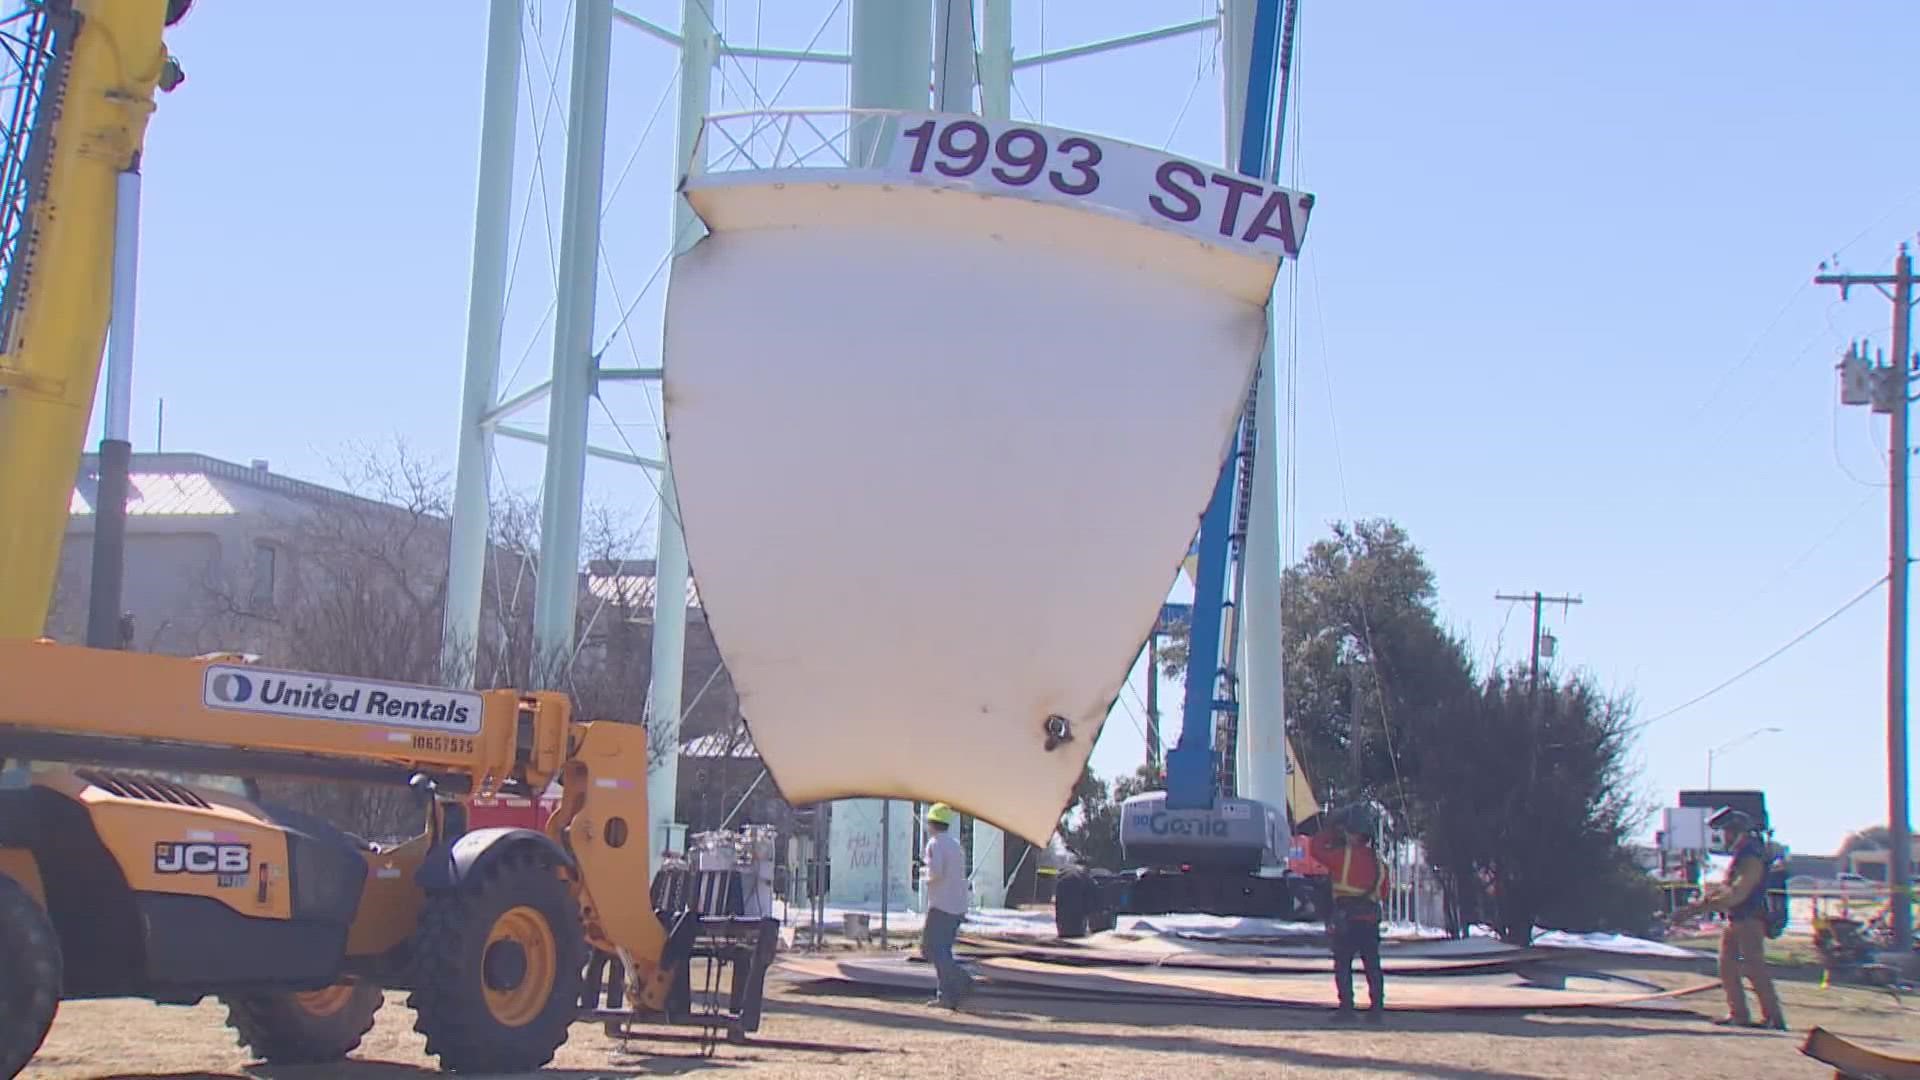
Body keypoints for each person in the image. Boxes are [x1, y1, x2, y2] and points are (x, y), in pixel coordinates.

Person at [1679, 808, 1786, 1030]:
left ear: (1739, 832)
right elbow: (1727, 888)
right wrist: (1702, 903)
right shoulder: (1742, 855)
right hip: (1735, 918)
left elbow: (1738, 892)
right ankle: (1739, 1014)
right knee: (1727, 966)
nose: (1724, 837)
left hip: (1750, 919)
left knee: (1754, 968)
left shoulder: (1751, 856)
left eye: (1727, 832)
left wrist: (1699, 908)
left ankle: (1773, 1017)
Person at [1307, 804, 1389, 1022]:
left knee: (1343, 964)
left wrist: (1331, 830)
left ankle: (1346, 1008)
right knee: (1372, 965)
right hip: (1370, 922)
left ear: (1350, 833)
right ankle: (1377, 1009)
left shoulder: (1342, 857)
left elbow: (1315, 848)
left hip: (1347, 921)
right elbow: (1384, 892)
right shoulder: (1380, 864)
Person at [919, 802, 974, 1010]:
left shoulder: (934, 844)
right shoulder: (955, 844)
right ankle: (946, 995)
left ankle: (962, 979)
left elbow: (936, 873)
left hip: (941, 904)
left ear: (932, 823)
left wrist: (924, 876)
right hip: (958, 904)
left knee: (931, 949)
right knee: (943, 950)